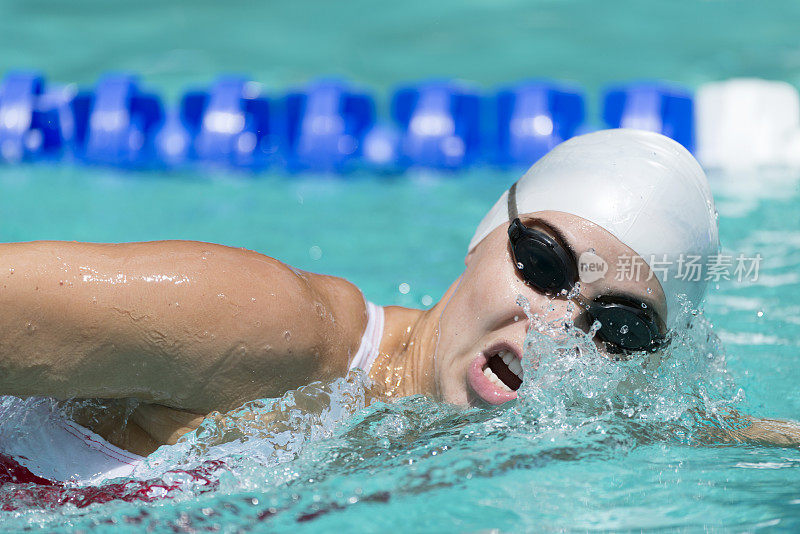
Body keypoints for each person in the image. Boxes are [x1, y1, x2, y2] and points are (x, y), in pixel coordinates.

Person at [0, 129, 796, 485]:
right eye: (545, 264)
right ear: (485, 235)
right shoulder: (272, 329)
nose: (559, 328)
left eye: (617, 329)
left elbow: (690, 429)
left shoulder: (545, 419)